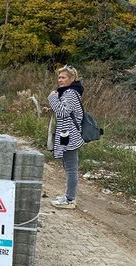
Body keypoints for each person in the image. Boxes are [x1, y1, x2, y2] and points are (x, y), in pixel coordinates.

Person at [48, 65, 84, 209]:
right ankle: (68, 196)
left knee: (71, 168)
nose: (60, 80)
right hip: (66, 134)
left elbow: (63, 112)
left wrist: (52, 98)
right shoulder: (70, 92)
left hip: (69, 136)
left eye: (63, 77)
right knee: (68, 166)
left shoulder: (70, 93)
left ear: (72, 79)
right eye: (59, 77)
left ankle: (70, 199)